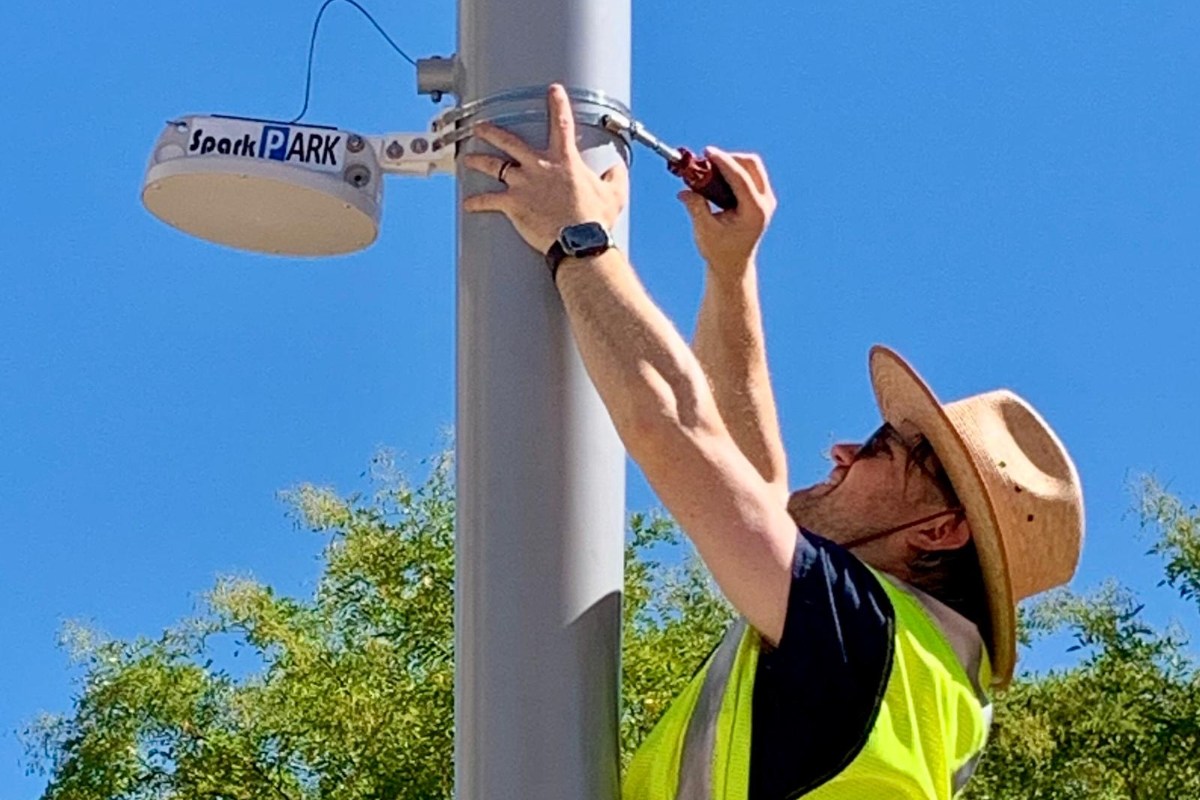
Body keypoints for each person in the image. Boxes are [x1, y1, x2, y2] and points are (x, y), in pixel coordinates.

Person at [463, 85, 1084, 800]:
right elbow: (743, 478)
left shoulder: (867, 637)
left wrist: (577, 236)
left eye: (881, 448)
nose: (843, 452)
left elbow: (676, 430)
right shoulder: (908, 670)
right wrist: (731, 273)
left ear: (941, 530)